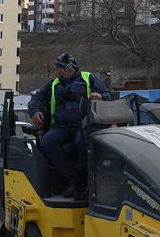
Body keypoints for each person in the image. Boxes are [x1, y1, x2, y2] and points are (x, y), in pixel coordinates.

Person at [28, 53, 111, 197]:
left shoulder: (88, 79)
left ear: (66, 69)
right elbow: (36, 98)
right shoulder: (54, 84)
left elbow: (108, 95)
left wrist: (101, 97)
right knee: (48, 141)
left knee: (81, 141)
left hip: (84, 125)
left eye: (57, 68)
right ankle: (72, 180)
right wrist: (34, 111)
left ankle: (89, 181)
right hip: (63, 127)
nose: (55, 71)